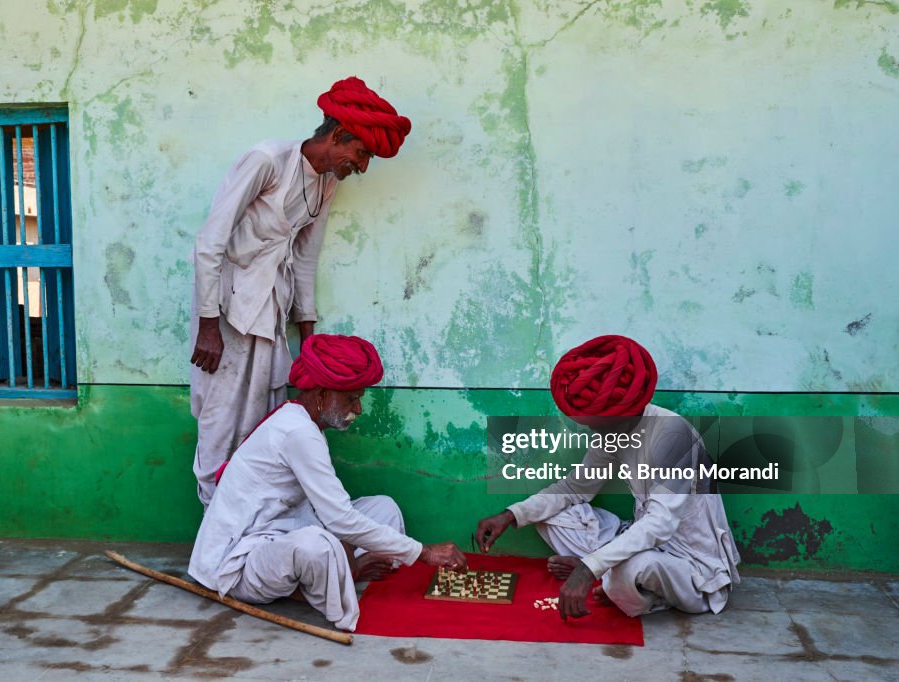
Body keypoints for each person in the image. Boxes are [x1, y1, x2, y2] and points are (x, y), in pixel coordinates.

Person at [189, 77, 412, 507]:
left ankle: (251, 534)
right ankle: (214, 541)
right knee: (220, 421)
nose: (361, 167)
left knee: (261, 423)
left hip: (271, 309)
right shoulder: (266, 160)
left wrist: (310, 344)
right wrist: (208, 325)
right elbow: (210, 242)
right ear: (339, 135)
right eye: (360, 153)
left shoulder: (328, 181)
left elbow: (306, 258)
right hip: (228, 309)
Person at [188, 334, 466, 631]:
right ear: (320, 394)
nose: (358, 409)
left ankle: (336, 573)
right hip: (239, 564)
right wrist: (425, 552)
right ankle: (339, 576)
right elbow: (339, 519)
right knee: (318, 545)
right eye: (351, 398)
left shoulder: (305, 424)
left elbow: (332, 511)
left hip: (284, 529)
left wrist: (346, 540)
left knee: (384, 508)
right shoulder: (298, 433)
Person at [475, 335, 740, 621]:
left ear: (626, 413)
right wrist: (511, 515)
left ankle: (620, 582)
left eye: (599, 427)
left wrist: (587, 570)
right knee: (553, 516)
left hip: (688, 564)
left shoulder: (674, 436)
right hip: (641, 534)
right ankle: (610, 575)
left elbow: (660, 524)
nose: (596, 435)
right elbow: (574, 488)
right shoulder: (612, 431)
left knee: (635, 566)